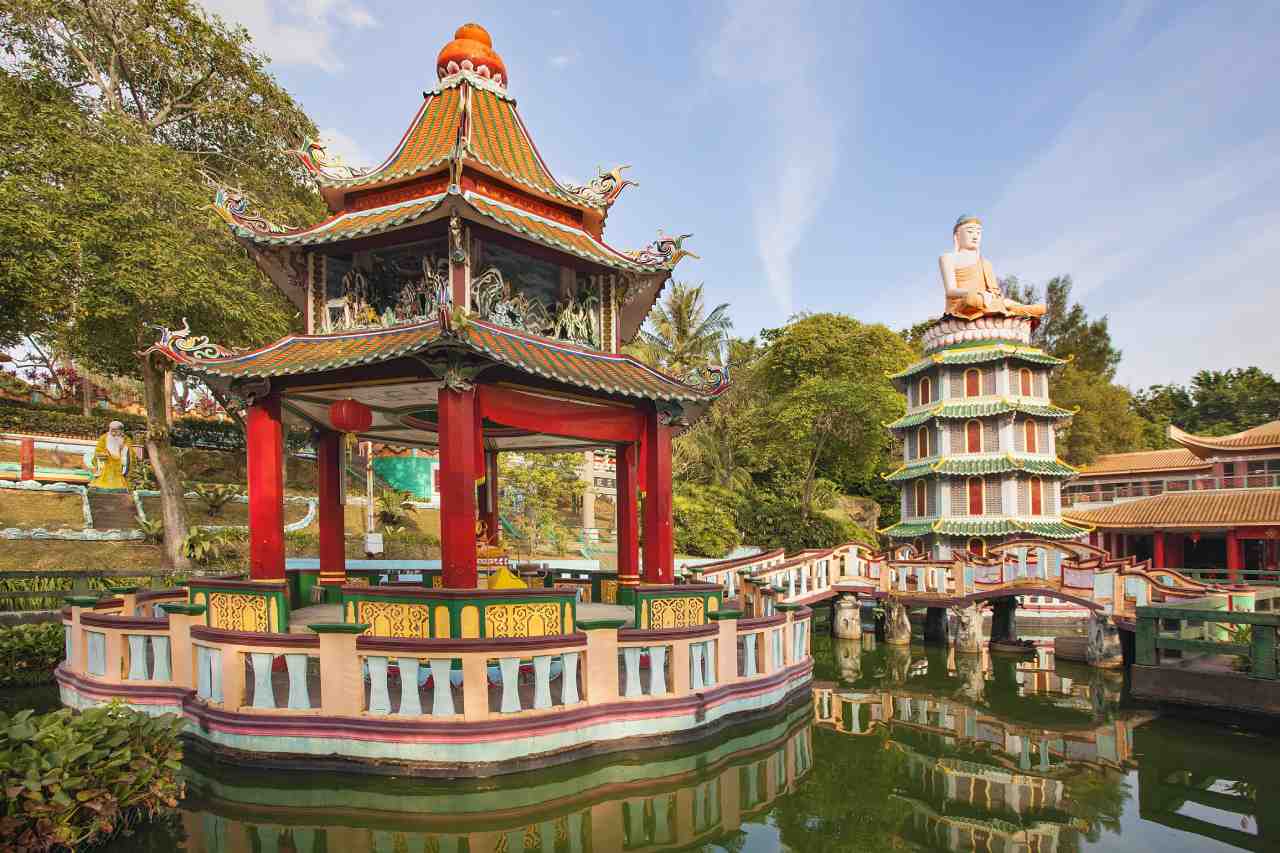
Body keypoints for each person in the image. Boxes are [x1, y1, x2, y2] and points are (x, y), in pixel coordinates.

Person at [938, 216, 1046, 320]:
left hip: (986, 300)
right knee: (972, 299)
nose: (975, 236)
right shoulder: (948, 258)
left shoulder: (985, 263)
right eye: (970, 232)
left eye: (978, 233)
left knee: (1005, 301)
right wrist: (976, 293)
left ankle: (1021, 309)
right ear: (957, 235)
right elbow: (950, 291)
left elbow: (994, 292)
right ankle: (1011, 310)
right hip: (963, 303)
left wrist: (991, 296)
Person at [88, 420, 131, 491]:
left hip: (118, 470)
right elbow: (98, 450)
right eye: (111, 430)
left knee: (119, 488)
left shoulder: (125, 439)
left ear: (121, 431)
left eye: (115, 431)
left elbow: (127, 454)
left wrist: (122, 448)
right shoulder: (104, 438)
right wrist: (101, 454)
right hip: (105, 467)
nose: (113, 433)